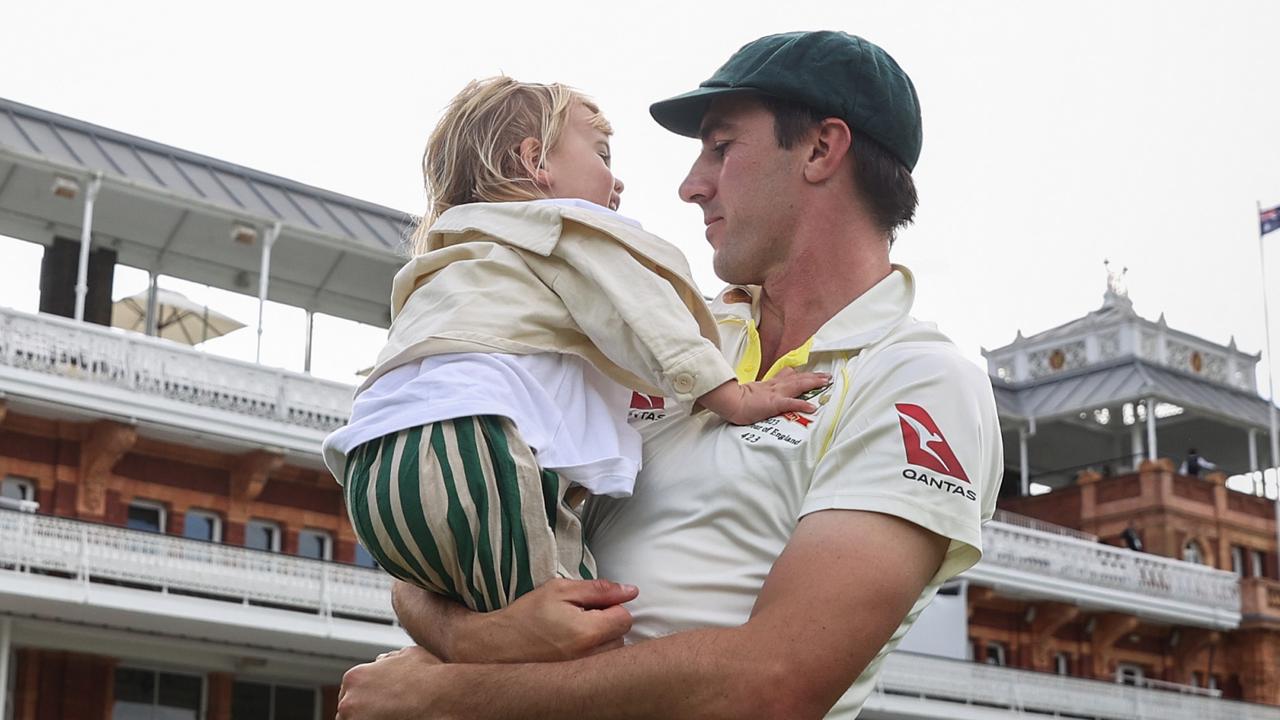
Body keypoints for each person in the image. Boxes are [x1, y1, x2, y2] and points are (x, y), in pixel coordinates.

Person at [337, 30, 1003, 720]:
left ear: (821, 149)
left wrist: (451, 695)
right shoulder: (657, 336)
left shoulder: (920, 378)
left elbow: (775, 682)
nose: (691, 185)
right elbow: (452, 512)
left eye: (721, 148)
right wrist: (465, 632)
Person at [322, 76, 828, 612]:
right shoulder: (564, 226)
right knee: (567, 621)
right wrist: (733, 396)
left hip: (370, 473)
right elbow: (646, 313)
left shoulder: (459, 252)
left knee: (493, 620)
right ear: (535, 160)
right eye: (602, 154)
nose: (618, 181)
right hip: (470, 445)